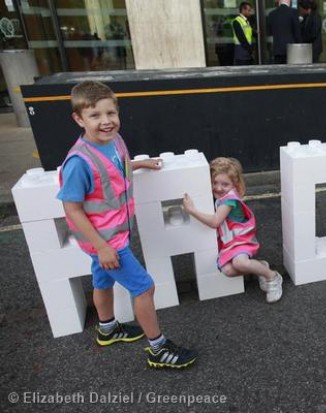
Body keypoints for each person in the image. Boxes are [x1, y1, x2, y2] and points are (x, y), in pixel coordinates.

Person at [57, 81, 197, 369]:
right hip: (107, 240)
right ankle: (157, 349)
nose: (106, 121)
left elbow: (115, 168)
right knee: (144, 288)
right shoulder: (78, 162)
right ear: (78, 119)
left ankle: (107, 329)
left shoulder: (114, 141)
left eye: (111, 113)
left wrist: (140, 165)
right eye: (95, 115)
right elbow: (71, 208)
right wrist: (102, 247)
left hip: (112, 235)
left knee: (102, 279)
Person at [182, 157, 283, 303]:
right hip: (230, 244)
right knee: (228, 271)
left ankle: (272, 276)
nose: (218, 188)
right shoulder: (222, 197)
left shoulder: (229, 200)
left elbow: (215, 222)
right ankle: (260, 266)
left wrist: (192, 210)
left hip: (242, 241)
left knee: (240, 263)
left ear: (234, 185)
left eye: (225, 184)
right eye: (215, 182)